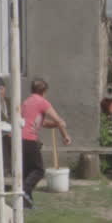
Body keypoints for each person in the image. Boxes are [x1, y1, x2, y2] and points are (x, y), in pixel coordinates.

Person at [20, 78, 71, 208]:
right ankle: (24, 192)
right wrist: (65, 135)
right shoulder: (42, 102)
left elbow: (42, 123)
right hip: (29, 139)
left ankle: (27, 203)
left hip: (19, 140)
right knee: (38, 170)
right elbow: (58, 120)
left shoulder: (26, 102)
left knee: (27, 172)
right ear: (44, 91)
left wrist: (55, 125)